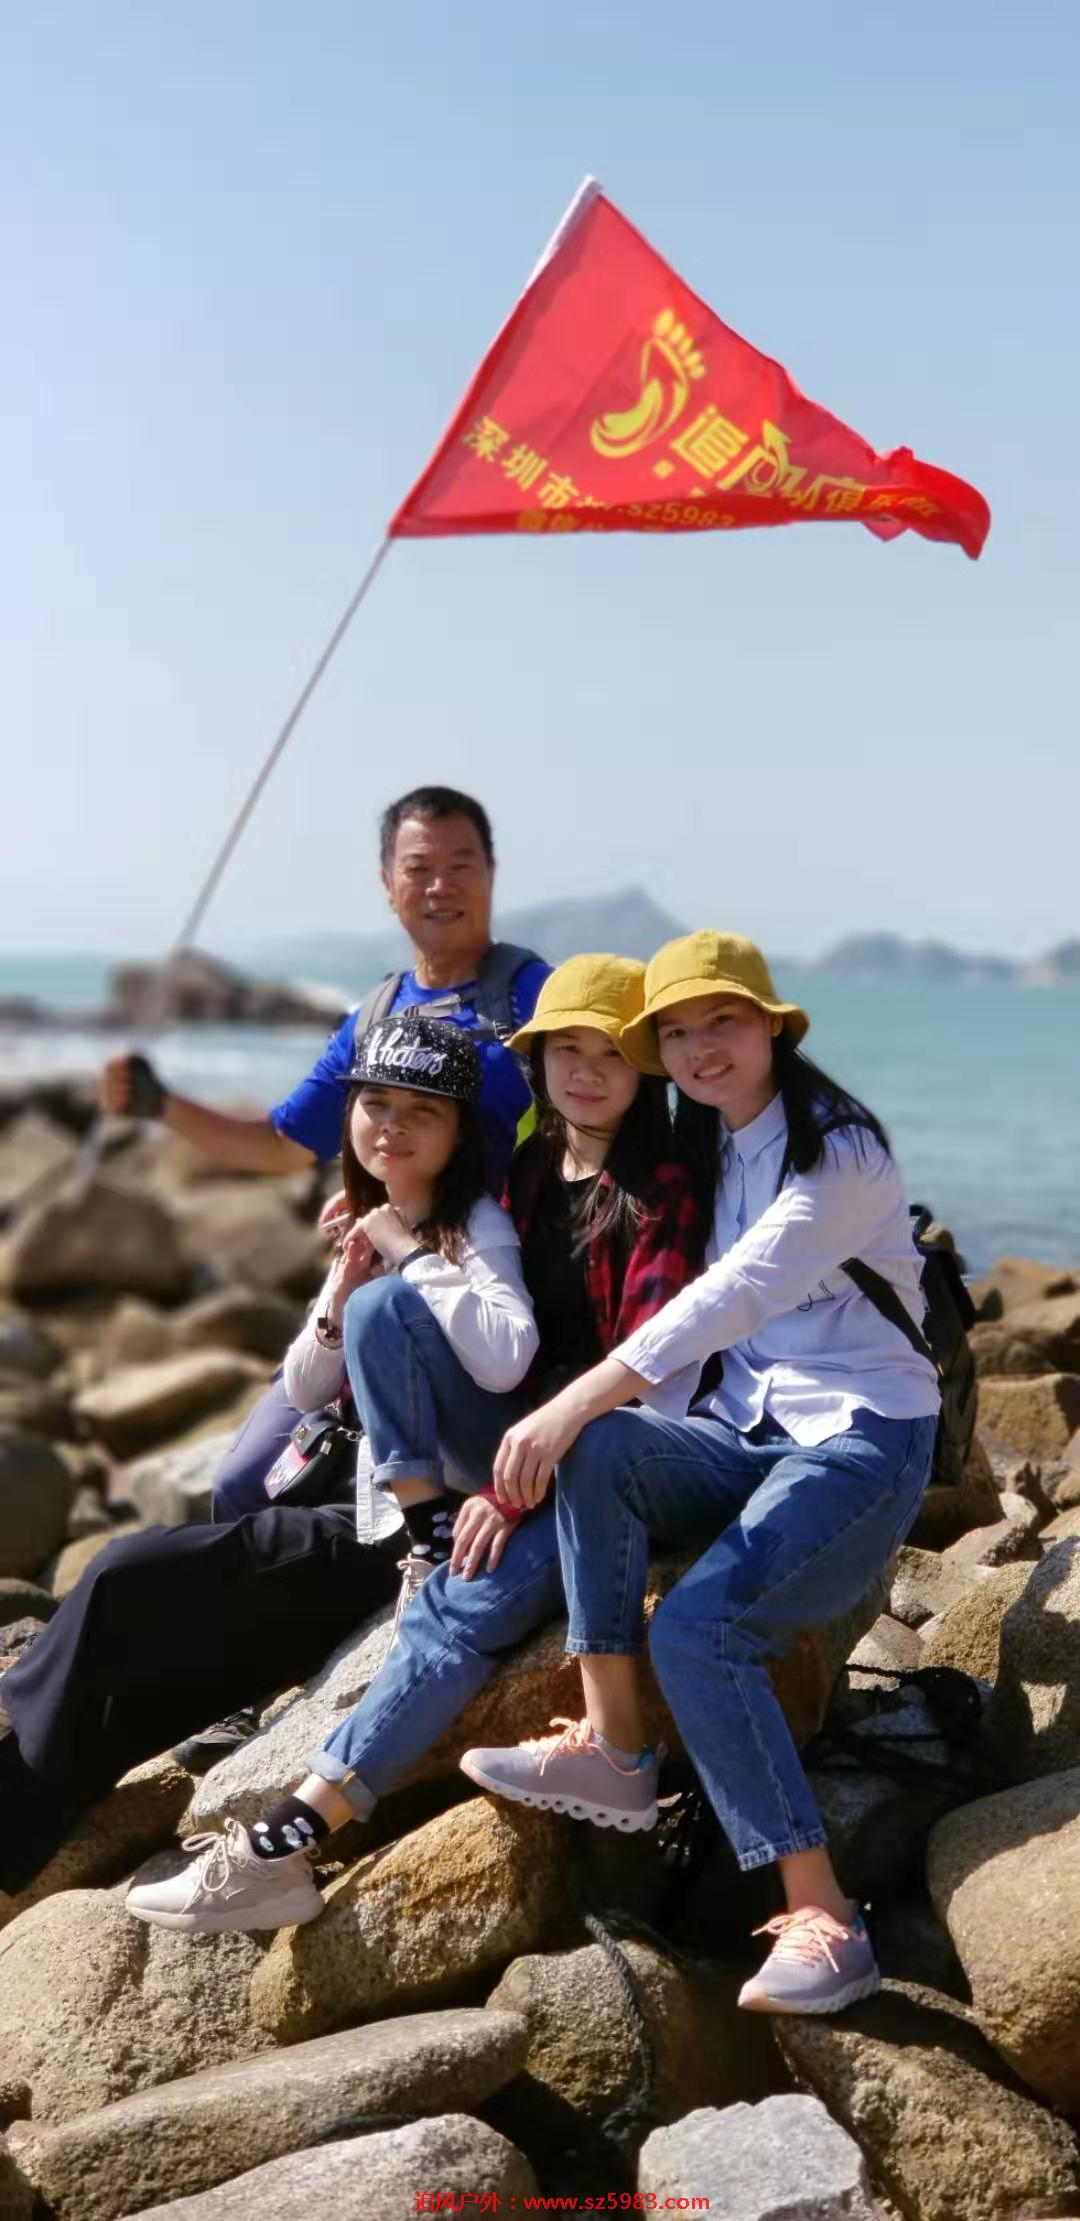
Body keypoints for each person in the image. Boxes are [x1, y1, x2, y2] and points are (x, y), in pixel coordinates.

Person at [123, 954, 706, 1933]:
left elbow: (656, 1370)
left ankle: (282, 1845)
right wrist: (379, 1244)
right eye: (565, 1048)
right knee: (383, 1311)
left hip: (619, 1458)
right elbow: (465, 1309)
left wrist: (512, 1490)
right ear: (536, 1062)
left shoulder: (669, 1186)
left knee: (460, 1612)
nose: (586, 1071)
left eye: (612, 1052)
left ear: (647, 1068)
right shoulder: (532, 1170)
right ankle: (424, 1538)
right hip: (531, 1442)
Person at [455, 931, 941, 2018]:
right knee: (604, 1447)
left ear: (771, 1025)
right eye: (675, 1031)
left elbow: (737, 1292)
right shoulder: (707, 1142)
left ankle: (825, 1917)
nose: (700, 1046)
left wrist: (572, 1398)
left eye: (722, 1020)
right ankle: (616, 1750)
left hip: (863, 1435)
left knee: (698, 1629)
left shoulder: (841, 1149)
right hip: (745, 1429)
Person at [0, 1016, 536, 1900]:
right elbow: (304, 1381)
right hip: (344, 1489)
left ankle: (14, 1744)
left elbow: (507, 1356)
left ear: (460, 1131)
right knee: (165, 1655)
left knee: (125, 1573)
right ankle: (23, 1810)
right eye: (375, 1103)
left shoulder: (473, 1221)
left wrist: (408, 1258)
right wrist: (344, 1287)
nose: (392, 1126)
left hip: (403, 1526)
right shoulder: (378, 1211)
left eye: (421, 1111)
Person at [100, 785, 549, 1524]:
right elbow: (279, 1144)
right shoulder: (372, 1017)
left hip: (485, 1278)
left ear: (492, 875)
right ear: (387, 884)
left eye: (461, 865)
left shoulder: (536, 1000)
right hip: (377, 1263)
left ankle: (417, 1540)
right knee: (244, 1484)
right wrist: (159, 1103)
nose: (440, 885)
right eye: (418, 868)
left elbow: (608, 1112)